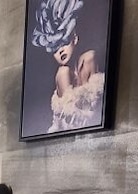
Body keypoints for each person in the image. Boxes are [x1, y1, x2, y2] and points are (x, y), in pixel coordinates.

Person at [31, 0, 105, 133]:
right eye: (54, 48)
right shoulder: (63, 73)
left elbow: (99, 105)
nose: (60, 51)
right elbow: (71, 122)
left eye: (63, 43)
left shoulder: (89, 59)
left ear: (74, 38)